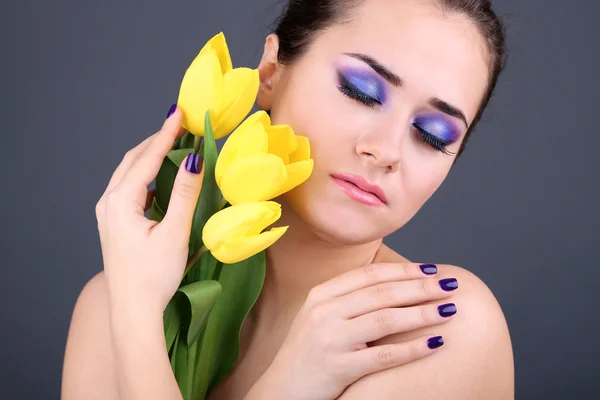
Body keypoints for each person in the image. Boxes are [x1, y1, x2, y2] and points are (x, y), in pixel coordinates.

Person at [61, 0, 514, 398]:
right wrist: (137, 311)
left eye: (433, 135)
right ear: (271, 74)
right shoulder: (112, 305)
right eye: (362, 91)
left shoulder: (434, 326)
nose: (387, 151)